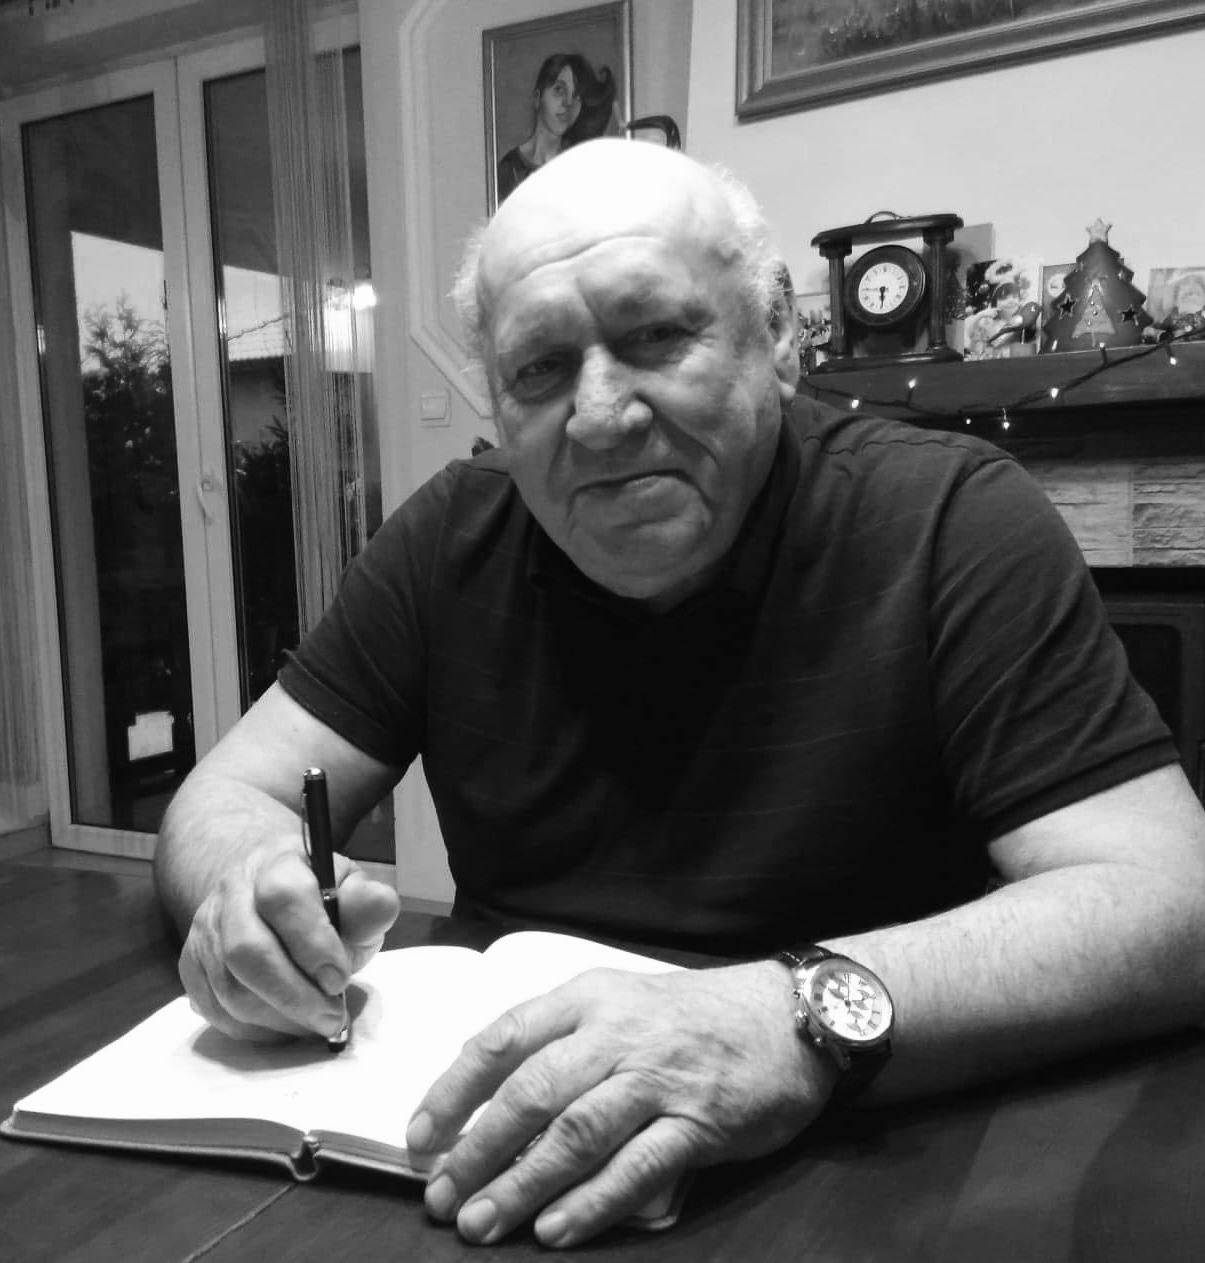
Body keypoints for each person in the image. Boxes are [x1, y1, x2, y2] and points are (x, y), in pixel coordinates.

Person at [155, 139, 1205, 1250]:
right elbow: (226, 796)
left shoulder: (949, 522)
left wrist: (788, 1018)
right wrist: (245, 888)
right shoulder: (446, 540)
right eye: (538, 369)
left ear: (778, 337)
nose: (601, 415)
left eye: (656, 335)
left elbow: (1166, 902)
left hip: (867, 1171)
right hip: (492, 1163)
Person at [495, 52, 618, 204]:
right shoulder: (508, 170)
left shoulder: (582, 169)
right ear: (537, 98)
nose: (568, 103)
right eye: (559, 90)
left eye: (577, 96)